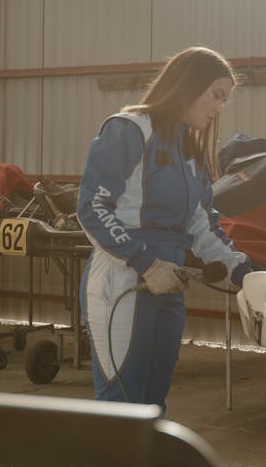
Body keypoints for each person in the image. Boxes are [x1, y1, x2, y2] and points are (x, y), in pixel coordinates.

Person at [77, 46, 253, 409]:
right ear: (190, 85)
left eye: (224, 99)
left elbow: (202, 223)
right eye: (216, 96)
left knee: (153, 403)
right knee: (121, 403)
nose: (219, 107)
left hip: (170, 280)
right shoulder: (128, 129)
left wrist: (245, 272)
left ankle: (144, 466)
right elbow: (92, 207)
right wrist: (145, 263)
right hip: (125, 279)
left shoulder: (189, 149)